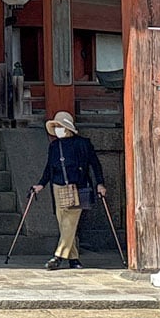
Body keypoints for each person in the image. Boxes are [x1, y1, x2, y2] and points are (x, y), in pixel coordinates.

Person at [34, 110, 104, 270]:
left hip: (77, 186)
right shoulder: (54, 146)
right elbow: (49, 168)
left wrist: (100, 183)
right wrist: (41, 185)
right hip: (58, 186)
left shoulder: (83, 144)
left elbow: (95, 164)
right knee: (63, 223)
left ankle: (58, 256)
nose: (58, 129)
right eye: (56, 126)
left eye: (60, 126)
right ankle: (73, 259)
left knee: (70, 222)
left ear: (68, 128)